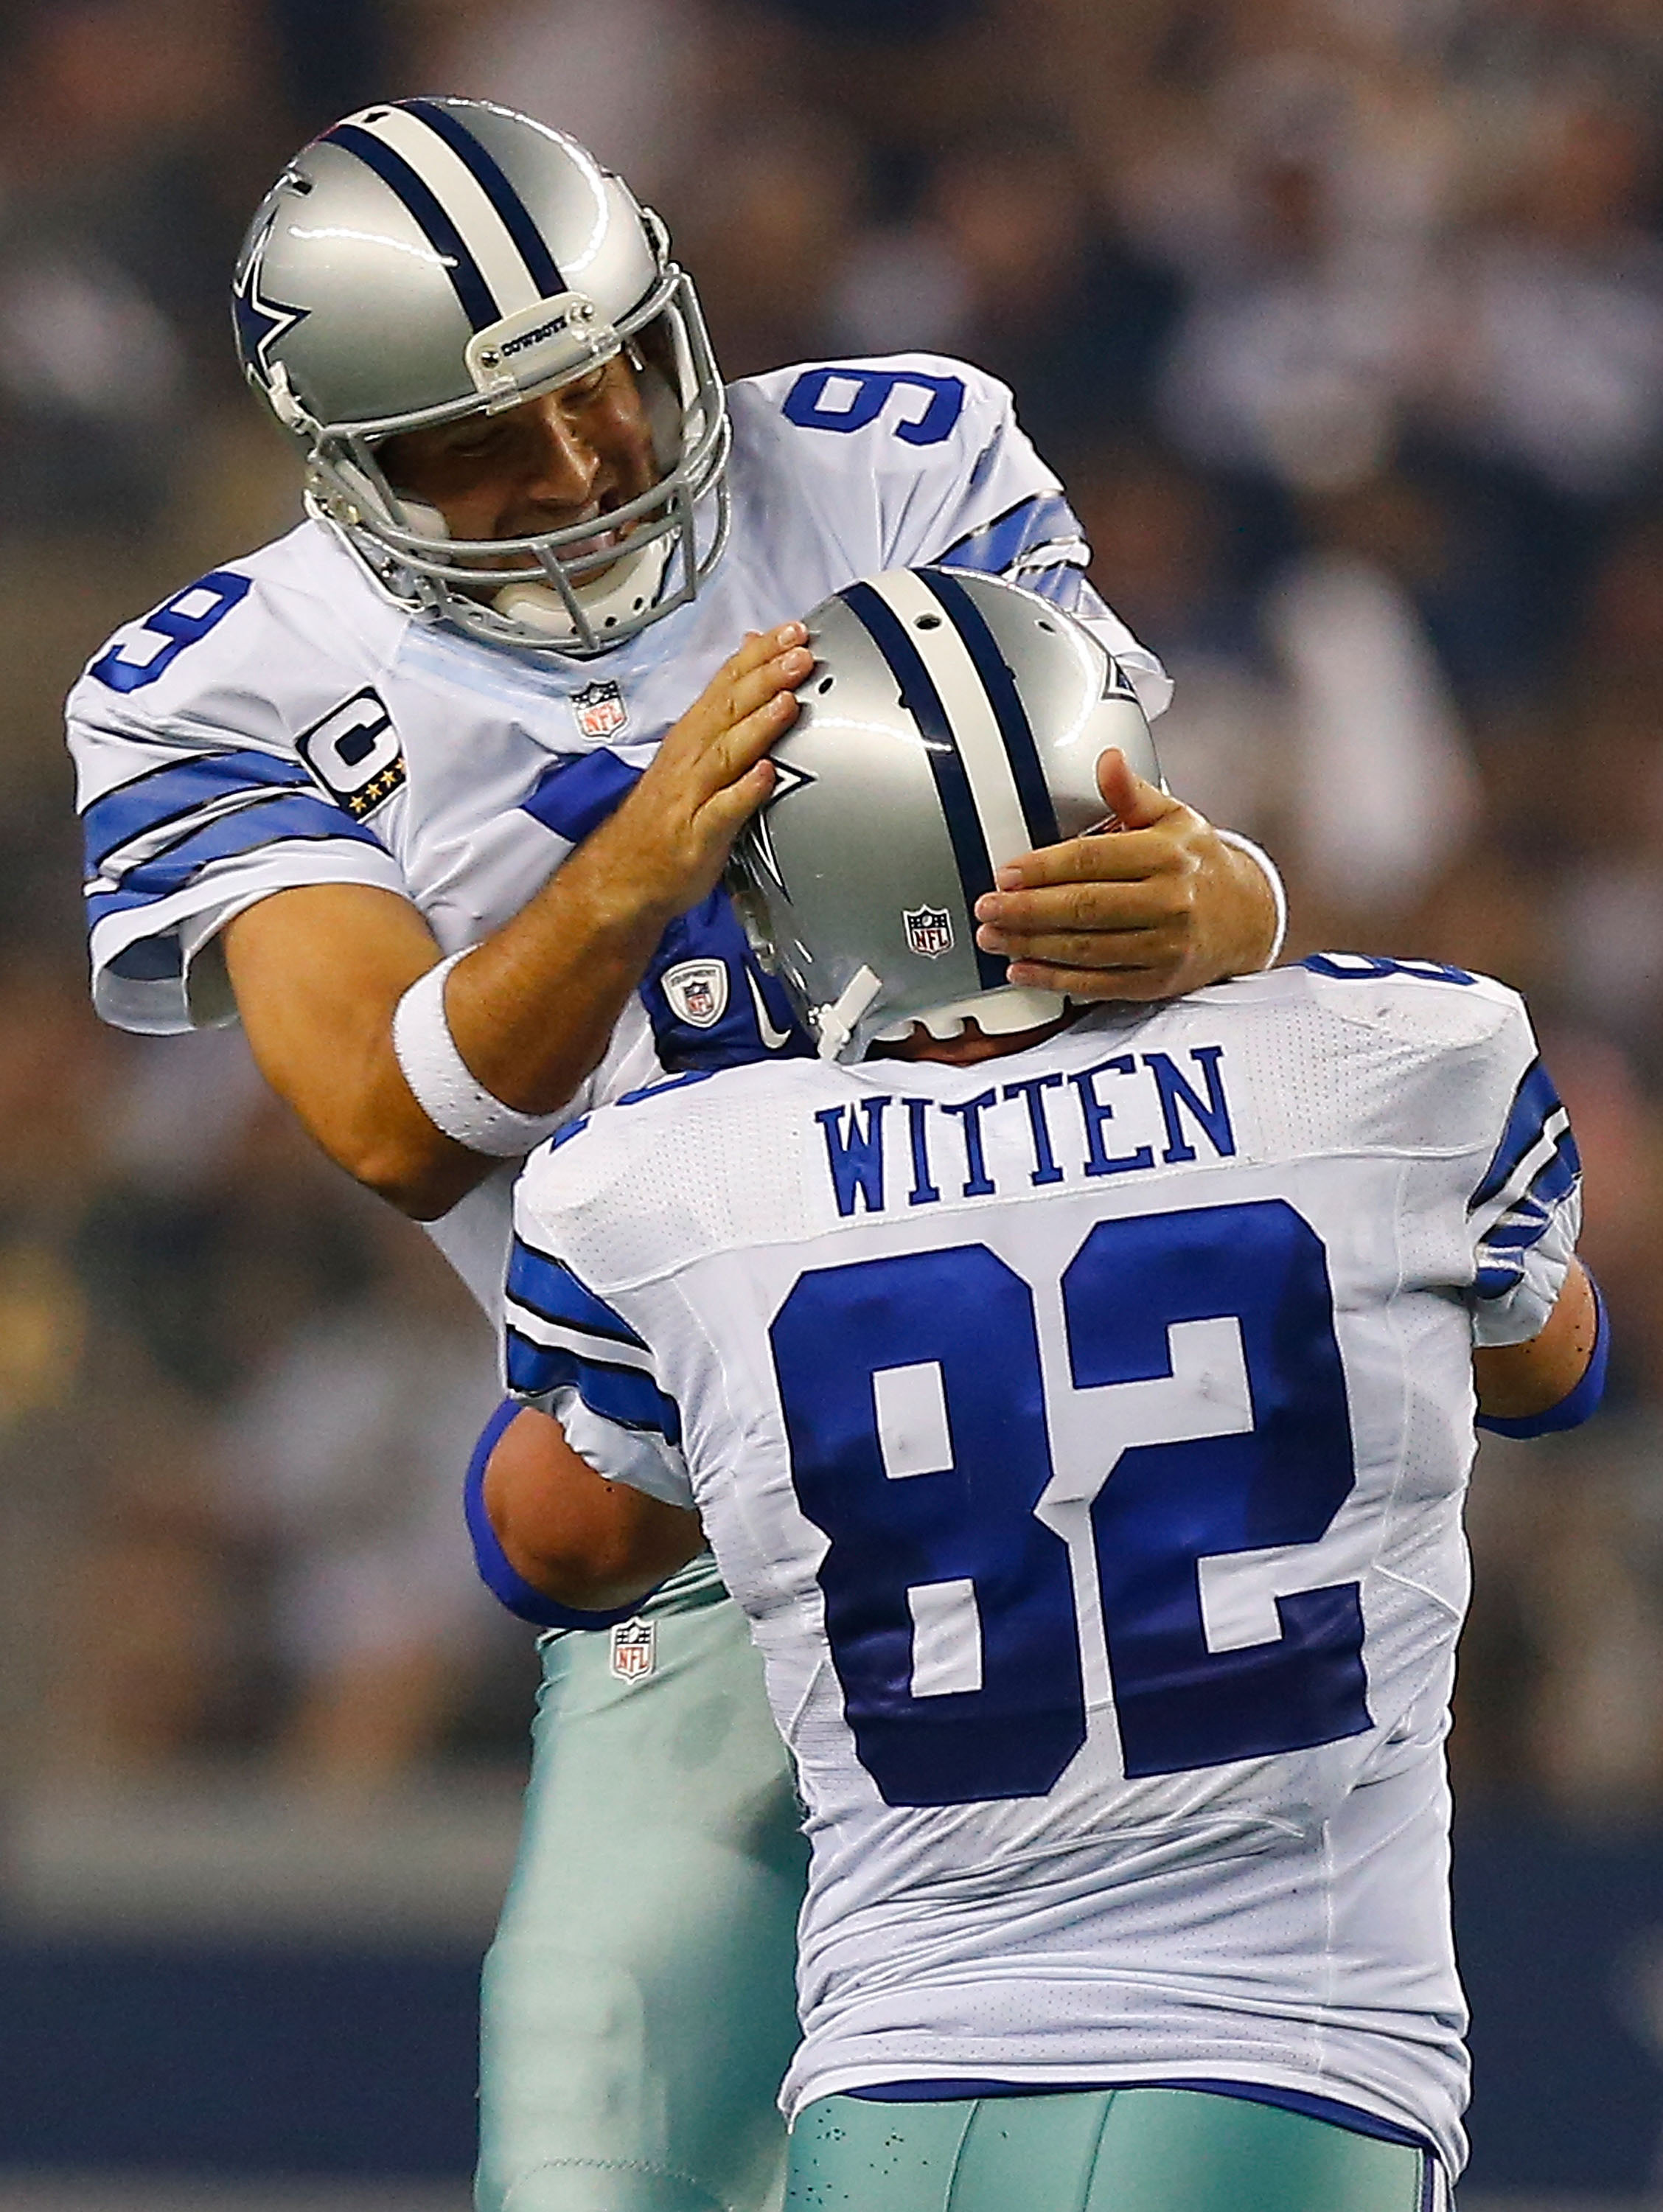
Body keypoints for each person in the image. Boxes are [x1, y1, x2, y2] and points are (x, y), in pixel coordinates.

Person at [65, 101, 1285, 2211]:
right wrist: (632, 871)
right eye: (477, 442)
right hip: (704, 1530)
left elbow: (1128, 920)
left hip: (1085, 1449)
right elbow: (382, 1120)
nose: (579, 466)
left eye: (599, 379)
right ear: (336, 458)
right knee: (590, 2156)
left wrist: (1238, 901)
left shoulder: (898, 456)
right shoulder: (217, 687)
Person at [477, 568, 1603, 2211]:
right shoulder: (1400, 1066)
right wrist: (1250, 946)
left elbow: (544, 1549)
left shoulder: (671, 1184)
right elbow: (1552, 1364)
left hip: (889, 2098)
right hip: (1288, 2077)